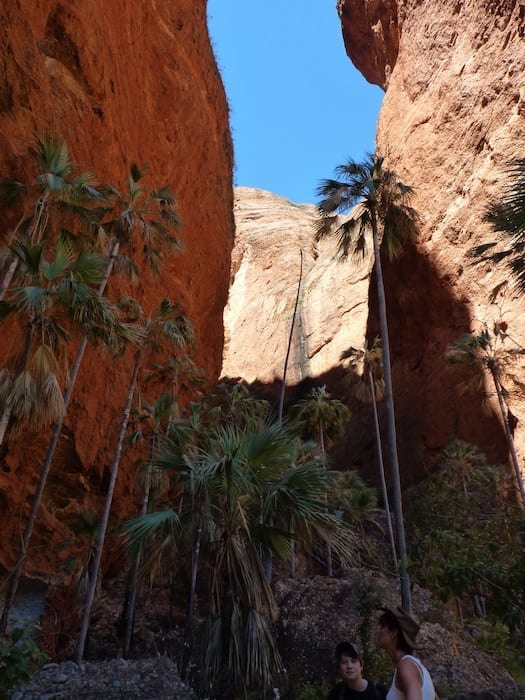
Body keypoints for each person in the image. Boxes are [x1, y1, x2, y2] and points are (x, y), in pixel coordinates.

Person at [376, 606, 437, 700]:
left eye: (383, 626)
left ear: (393, 633)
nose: (378, 631)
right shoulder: (412, 665)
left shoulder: (406, 666)